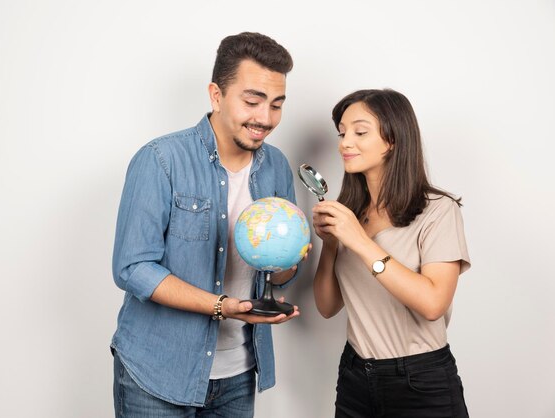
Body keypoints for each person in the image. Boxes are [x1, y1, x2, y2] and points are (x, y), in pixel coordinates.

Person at [111, 32, 305, 417]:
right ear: (216, 95)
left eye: (277, 105)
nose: (265, 119)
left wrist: (289, 259)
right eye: (252, 101)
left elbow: (278, 275)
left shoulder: (277, 167)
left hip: (239, 374)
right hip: (158, 373)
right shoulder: (160, 159)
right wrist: (222, 307)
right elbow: (132, 268)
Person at [312, 89, 471, 417]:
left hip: (421, 381)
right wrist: (330, 245)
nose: (345, 143)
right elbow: (327, 307)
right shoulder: (351, 212)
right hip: (355, 377)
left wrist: (359, 240)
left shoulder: (438, 211)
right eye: (342, 133)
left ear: (393, 139)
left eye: (360, 131)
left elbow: (432, 304)